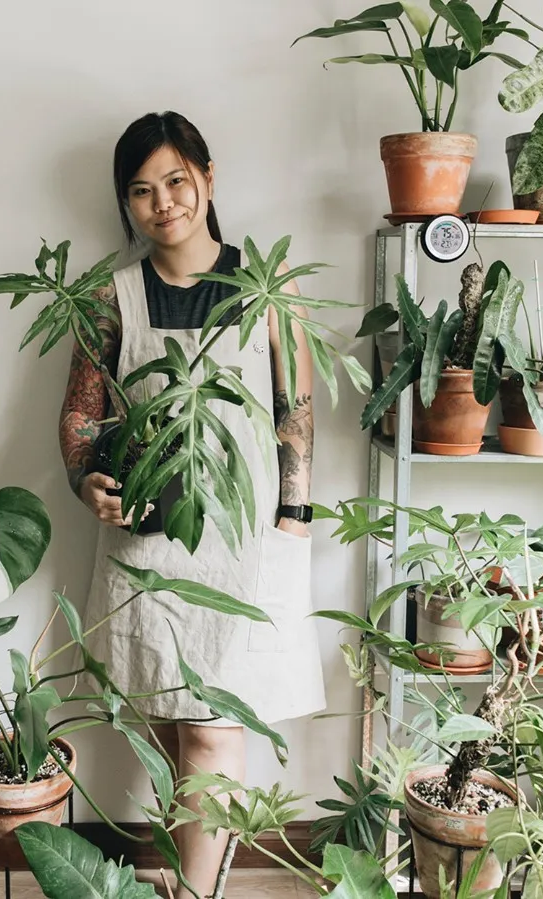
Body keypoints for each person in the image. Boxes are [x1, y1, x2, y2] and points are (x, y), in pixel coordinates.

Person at [59, 111, 325, 899]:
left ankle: (191, 893)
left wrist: (294, 518)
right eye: (141, 190)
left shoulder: (269, 286)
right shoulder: (110, 296)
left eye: (176, 180)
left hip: (245, 541)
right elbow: (79, 415)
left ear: (209, 178)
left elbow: (296, 409)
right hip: (146, 541)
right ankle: (187, 880)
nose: (163, 202)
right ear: (126, 205)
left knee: (214, 729)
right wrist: (87, 481)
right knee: (175, 732)